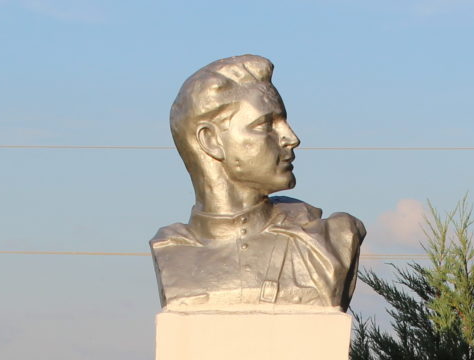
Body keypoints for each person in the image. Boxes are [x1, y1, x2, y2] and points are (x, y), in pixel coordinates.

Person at [150, 55, 365, 310]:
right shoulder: (171, 251)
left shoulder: (327, 242)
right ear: (211, 140)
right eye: (266, 124)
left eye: (283, 121)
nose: (291, 138)